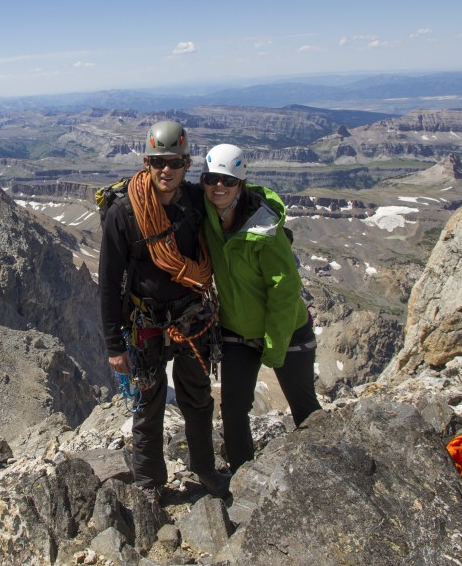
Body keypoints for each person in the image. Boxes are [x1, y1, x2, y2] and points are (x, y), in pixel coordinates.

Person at [99, 120, 231, 503]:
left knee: (198, 400)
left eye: (174, 162)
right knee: (149, 405)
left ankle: (205, 471)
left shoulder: (195, 201)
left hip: (191, 318)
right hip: (147, 325)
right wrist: (113, 344)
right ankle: (150, 484)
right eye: (159, 163)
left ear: (186, 164)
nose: (166, 170)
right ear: (146, 163)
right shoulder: (124, 214)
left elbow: (230, 199)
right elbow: (108, 282)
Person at [200, 143, 322, 473]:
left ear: (241, 182)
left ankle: (327, 471)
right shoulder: (207, 214)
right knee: (233, 409)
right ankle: (244, 479)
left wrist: (274, 345)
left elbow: (284, 291)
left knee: (304, 406)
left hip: (287, 331)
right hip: (237, 330)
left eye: (227, 180)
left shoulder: (264, 229)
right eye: (211, 179)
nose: (218, 187)